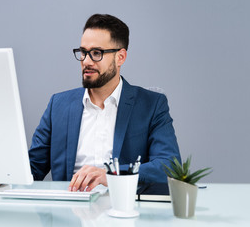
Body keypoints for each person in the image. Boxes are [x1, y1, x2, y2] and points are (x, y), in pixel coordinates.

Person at [29, 14, 181, 192]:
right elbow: (32, 168)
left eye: (96, 53)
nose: (86, 61)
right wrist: (3, 176)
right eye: (83, 52)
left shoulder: (151, 105)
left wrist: (112, 174)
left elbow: (169, 167)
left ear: (120, 57)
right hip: (69, 212)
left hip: (124, 211)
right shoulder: (58, 105)